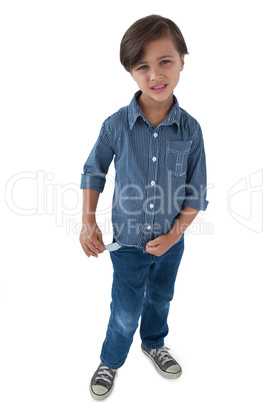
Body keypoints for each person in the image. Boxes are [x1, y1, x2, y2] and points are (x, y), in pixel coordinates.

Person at [80, 14, 209, 400]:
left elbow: (196, 192)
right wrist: (88, 221)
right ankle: (110, 360)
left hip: (172, 243)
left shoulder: (191, 130)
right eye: (143, 66)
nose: (156, 74)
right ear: (131, 73)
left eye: (165, 61)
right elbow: (93, 171)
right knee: (125, 309)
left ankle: (154, 343)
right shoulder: (115, 125)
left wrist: (173, 235)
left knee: (162, 298)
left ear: (183, 60)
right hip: (129, 245)